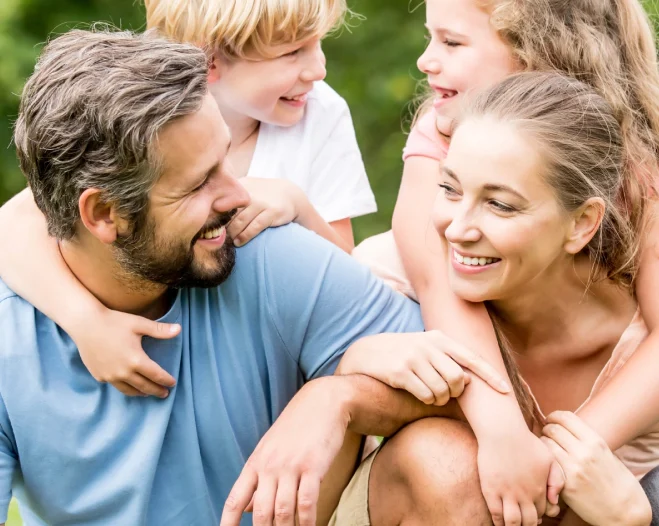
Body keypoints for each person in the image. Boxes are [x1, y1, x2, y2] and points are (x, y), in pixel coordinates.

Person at [0, 28, 506, 526]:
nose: (239, 196)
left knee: (445, 460)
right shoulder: (12, 337)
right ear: (104, 214)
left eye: (227, 160)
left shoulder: (265, 252)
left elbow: (478, 392)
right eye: (199, 183)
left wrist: (338, 397)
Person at [350, 0, 659, 523]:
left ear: (533, 54)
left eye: (451, 41)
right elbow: (440, 281)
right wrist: (504, 431)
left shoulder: (635, 166)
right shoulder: (443, 128)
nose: (426, 61)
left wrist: (562, 455)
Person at [0, 0, 377, 398]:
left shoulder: (319, 112)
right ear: (208, 59)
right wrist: (86, 322)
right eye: (291, 53)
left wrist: (299, 205)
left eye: (318, 44)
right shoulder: (143, 113)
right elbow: (16, 224)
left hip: (276, 376)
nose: (318, 68)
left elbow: (344, 276)